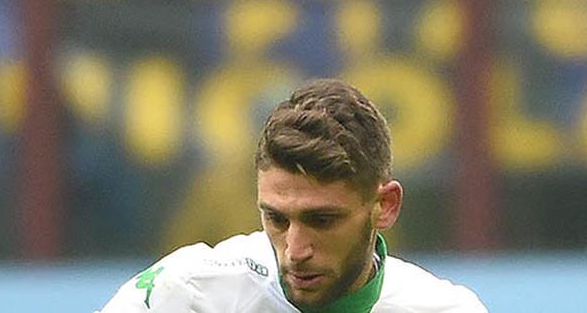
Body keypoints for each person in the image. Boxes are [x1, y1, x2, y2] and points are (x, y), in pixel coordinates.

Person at [98, 79, 487, 312]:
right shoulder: (189, 293)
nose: (295, 250)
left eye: (322, 220)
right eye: (277, 219)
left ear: (385, 206)